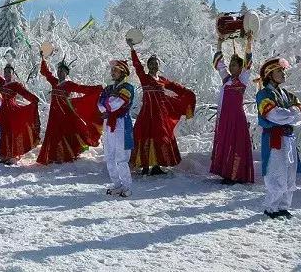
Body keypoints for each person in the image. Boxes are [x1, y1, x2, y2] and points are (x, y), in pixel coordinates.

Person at [129, 45, 196, 176]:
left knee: (159, 137)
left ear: (159, 66)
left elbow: (177, 88)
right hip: (147, 113)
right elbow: (137, 65)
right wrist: (132, 50)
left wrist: (188, 93)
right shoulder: (144, 78)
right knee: (144, 136)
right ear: (148, 66)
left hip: (160, 114)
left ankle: (156, 166)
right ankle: (144, 166)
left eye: (156, 64)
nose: (154, 66)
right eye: (151, 64)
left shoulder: (163, 80)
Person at [256, 57, 301, 219]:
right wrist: (290, 114)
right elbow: (274, 115)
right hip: (274, 139)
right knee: (276, 172)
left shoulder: (287, 94)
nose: (283, 73)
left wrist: (288, 115)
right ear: (270, 74)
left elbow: (299, 115)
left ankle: (284, 206)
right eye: (279, 71)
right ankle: (271, 207)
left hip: (289, 138)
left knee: (290, 172)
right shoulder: (263, 94)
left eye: (283, 70)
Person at [36, 56, 103, 165]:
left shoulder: (69, 84)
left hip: (64, 114)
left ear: (66, 73)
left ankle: (65, 155)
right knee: (53, 135)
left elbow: (84, 89)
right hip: (54, 115)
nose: (60, 72)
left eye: (62, 71)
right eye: (58, 70)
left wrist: (98, 88)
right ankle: (53, 155)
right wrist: (43, 58)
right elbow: (45, 72)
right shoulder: (54, 82)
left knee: (65, 135)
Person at [210, 33, 255, 185]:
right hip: (224, 117)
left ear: (240, 67)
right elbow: (218, 62)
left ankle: (236, 174)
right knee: (226, 143)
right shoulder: (226, 79)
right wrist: (219, 42)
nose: (230, 67)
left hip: (236, 118)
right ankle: (226, 173)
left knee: (236, 144)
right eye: (231, 64)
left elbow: (249, 61)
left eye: (234, 65)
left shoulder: (243, 79)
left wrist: (249, 41)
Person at [0, 62, 41, 164]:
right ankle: (4, 155)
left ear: (13, 74)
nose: (7, 74)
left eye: (9, 72)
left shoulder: (15, 85)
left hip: (12, 112)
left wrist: (34, 99)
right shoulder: (2, 83)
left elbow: (25, 93)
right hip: (1, 112)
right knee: (3, 133)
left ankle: (13, 155)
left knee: (11, 133)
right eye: (5, 72)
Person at [99, 60, 136, 197]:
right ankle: (117, 184)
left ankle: (127, 186)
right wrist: (107, 105)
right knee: (109, 156)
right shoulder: (109, 88)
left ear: (123, 72)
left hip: (121, 124)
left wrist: (107, 104)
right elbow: (100, 103)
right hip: (109, 123)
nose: (112, 72)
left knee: (121, 157)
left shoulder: (128, 87)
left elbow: (116, 104)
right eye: (112, 70)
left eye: (115, 70)